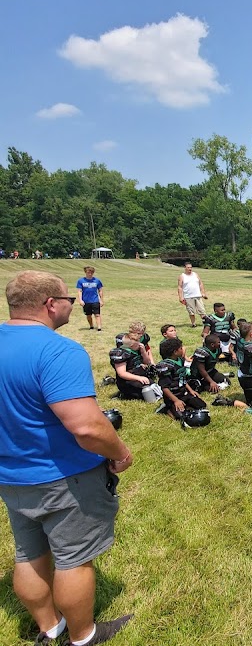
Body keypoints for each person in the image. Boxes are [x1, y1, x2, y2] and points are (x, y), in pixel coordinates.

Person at [0, 270, 133, 646]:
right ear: (50, 304)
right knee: (73, 558)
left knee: (27, 553)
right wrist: (120, 452)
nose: (71, 305)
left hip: (10, 474)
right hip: (63, 476)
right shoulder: (57, 350)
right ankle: (83, 635)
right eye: (69, 300)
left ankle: (50, 627)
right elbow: (87, 427)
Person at [177, 262, 207, 328]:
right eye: (188, 267)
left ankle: (206, 323)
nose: (190, 269)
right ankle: (193, 324)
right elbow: (180, 287)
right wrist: (181, 297)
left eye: (191, 267)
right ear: (185, 268)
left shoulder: (195, 274)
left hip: (197, 295)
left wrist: (203, 293)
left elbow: (200, 283)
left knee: (202, 310)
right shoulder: (182, 276)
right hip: (188, 296)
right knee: (191, 312)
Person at [76, 266, 104, 331]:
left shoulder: (97, 281)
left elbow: (100, 290)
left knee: (97, 314)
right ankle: (91, 326)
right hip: (86, 301)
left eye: (91, 272)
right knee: (88, 315)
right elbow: (80, 291)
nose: (90, 274)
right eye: (88, 272)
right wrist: (80, 300)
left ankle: (99, 327)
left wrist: (101, 300)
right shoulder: (81, 281)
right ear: (85, 272)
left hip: (95, 300)